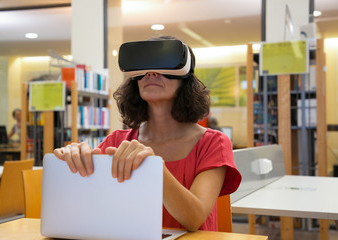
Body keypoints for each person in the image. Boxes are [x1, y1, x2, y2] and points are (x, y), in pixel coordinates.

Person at [54, 36, 241, 232]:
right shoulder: (117, 141)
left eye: (163, 66)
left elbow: (194, 219)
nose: (151, 74)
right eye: (143, 69)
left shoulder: (213, 143)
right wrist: (74, 163)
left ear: (184, 78)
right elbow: (91, 201)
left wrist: (155, 167)